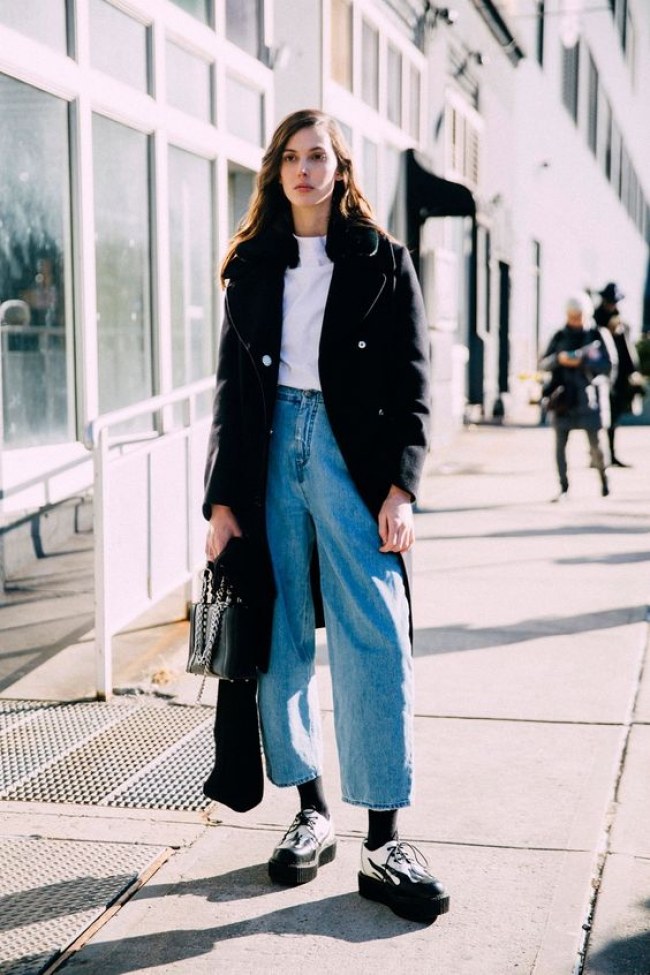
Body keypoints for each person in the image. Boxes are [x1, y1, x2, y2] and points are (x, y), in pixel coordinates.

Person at [202, 109, 449, 924]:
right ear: (276, 172)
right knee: (278, 638)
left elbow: (414, 383)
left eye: (319, 156)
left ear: (340, 169)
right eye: (292, 158)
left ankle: (385, 839)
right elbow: (232, 394)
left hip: (353, 459)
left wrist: (401, 489)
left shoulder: (384, 260)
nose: (305, 170)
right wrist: (222, 501)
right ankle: (309, 809)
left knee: (375, 631)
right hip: (270, 454)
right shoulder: (251, 267)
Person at [540, 294, 611, 501]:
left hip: (590, 400)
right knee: (560, 446)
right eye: (571, 316)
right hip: (564, 400)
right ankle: (564, 488)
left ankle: (604, 479)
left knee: (596, 446)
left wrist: (583, 362)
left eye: (578, 316)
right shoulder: (559, 336)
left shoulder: (597, 335)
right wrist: (559, 359)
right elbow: (544, 363)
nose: (574, 320)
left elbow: (609, 365)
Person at [594, 283, 645, 466]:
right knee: (599, 418)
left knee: (614, 417)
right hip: (603, 373)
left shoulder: (618, 318)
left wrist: (632, 371)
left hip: (620, 374)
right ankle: (598, 454)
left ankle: (610, 454)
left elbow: (625, 348)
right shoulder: (597, 319)